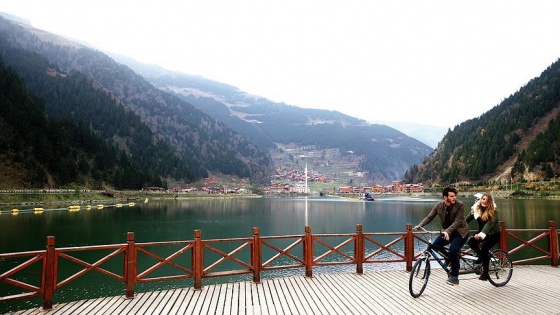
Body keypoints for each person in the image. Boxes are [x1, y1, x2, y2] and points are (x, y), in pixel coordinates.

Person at [414, 187, 469, 285]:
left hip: (461, 232)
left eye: (455, 196)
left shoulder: (460, 205)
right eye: (451, 196)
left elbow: (458, 221)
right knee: (435, 246)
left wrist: (447, 231)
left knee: (453, 250)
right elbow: (430, 217)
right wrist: (420, 225)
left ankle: (455, 278)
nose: (454, 198)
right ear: (445, 197)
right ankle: (449, 258)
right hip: (448, 232)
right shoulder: (438, 206)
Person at [466, 192, 501, 281]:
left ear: (490, 202)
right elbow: (466, 220)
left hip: (493, 234)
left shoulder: (494, 212)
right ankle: (482, 257)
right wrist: (456, 226)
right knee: (470, 241)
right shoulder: (476, 210)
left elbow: (488, 225)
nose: (484, 201)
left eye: (486, 200)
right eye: (483, 199)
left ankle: (485, 274)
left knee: (485, 248)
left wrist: (481, 235)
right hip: (482, 233)